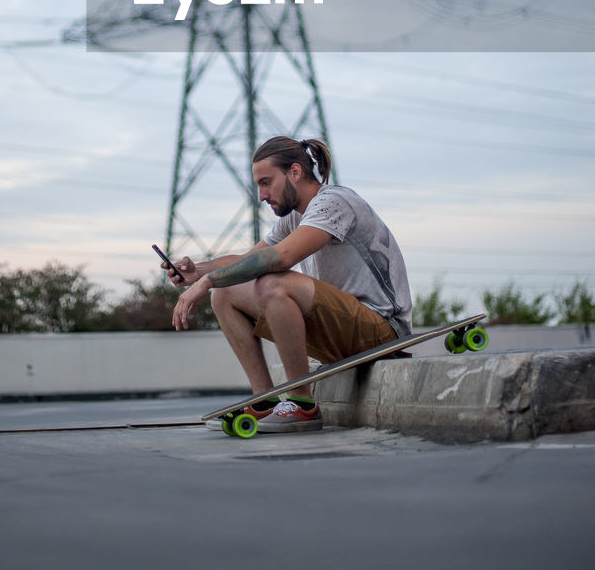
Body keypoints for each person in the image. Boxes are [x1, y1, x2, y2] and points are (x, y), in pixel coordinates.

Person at [165, 135, 411, 433]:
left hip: (381, 331)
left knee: (273, 283)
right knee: (226, 293)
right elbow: (249, 258)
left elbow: (280, 258)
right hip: (342, 333)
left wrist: (206, 282)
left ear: (295, 172)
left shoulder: (334, 203)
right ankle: (265, 400)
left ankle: (302, 405)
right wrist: (200, 272)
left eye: (267, 182)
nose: (261, 195)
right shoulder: (294, 217)